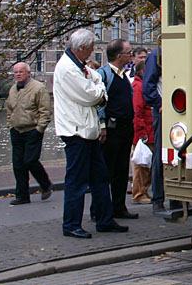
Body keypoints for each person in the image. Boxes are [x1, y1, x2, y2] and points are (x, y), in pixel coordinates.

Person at [54, 28, 127, 238]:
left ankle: (104, 219)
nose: (93, 51)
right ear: (82, 48)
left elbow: (96, 80)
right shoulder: (68, 69)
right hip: (77, 132)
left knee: (100, 177)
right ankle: (71, 224)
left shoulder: (79, 66)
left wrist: (97, 87)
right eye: (91, 48)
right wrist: (100, 91)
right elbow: (91, 96)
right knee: (77, 181)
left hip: (87, 130)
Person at [95, 39, 138, 219]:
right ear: (119, 56)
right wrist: (102, 126)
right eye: (129, 52)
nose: (131, 55)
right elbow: (98, 101)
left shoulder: (123, 75)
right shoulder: (103, 74)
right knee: (107, 170)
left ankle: (119, 207)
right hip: (111, 129)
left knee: (121, 169)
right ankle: (100, 210)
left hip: (125, 128)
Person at [6, 62, 53, 204]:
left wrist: (40, 129)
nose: (18, 74)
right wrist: (10, 125)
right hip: (16, 130)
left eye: (21, 71)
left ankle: (45, 184)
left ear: (28, 73)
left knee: (30, 160)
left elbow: (45, 111)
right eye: (15, 72)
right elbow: (9, 109)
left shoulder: (39, 88)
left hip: (32, 130)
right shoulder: (13, 89)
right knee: (18, 164)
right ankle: (22, 196)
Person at [143, 46, 167, 214]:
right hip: (164, 110)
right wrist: (159, 104)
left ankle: (173, 199)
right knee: (160, 153)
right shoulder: (157, 55)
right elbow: (148, 87)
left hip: (172, 107)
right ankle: (158, 198)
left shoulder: (157, 54)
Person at [130, 60, 153, 204]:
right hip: (145, 131)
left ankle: (142, 191)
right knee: (142, 165)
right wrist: (141, 131)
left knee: (145, 163)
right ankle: (139, 193)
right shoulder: (138, 87)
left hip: (148, 129)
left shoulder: (140, 86)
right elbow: (137, 111)